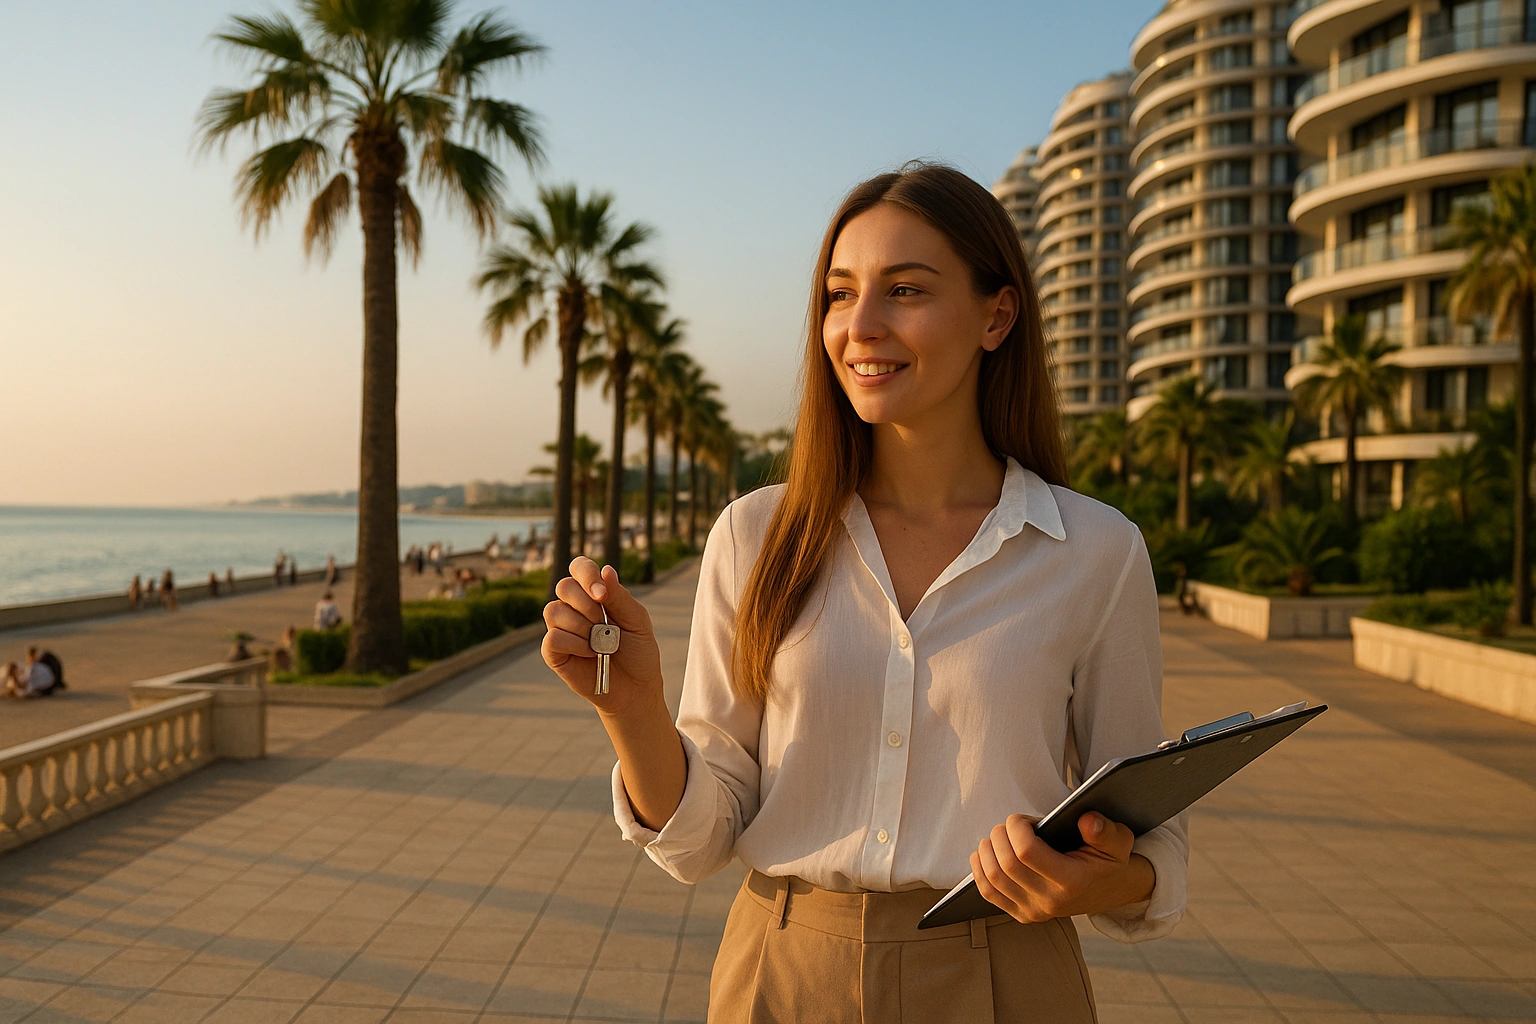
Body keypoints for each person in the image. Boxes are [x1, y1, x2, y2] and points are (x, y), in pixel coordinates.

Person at [541, 164, 1185, 1022]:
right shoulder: (756, 535)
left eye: (906, 290)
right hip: (782, 970)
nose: (861, 327)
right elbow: (699, 842)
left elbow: (1153, 841)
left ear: (997, 315)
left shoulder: (1096, 552)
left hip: (1008, 973)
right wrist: (631, 714)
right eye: (840, 295)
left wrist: (1096, 877)